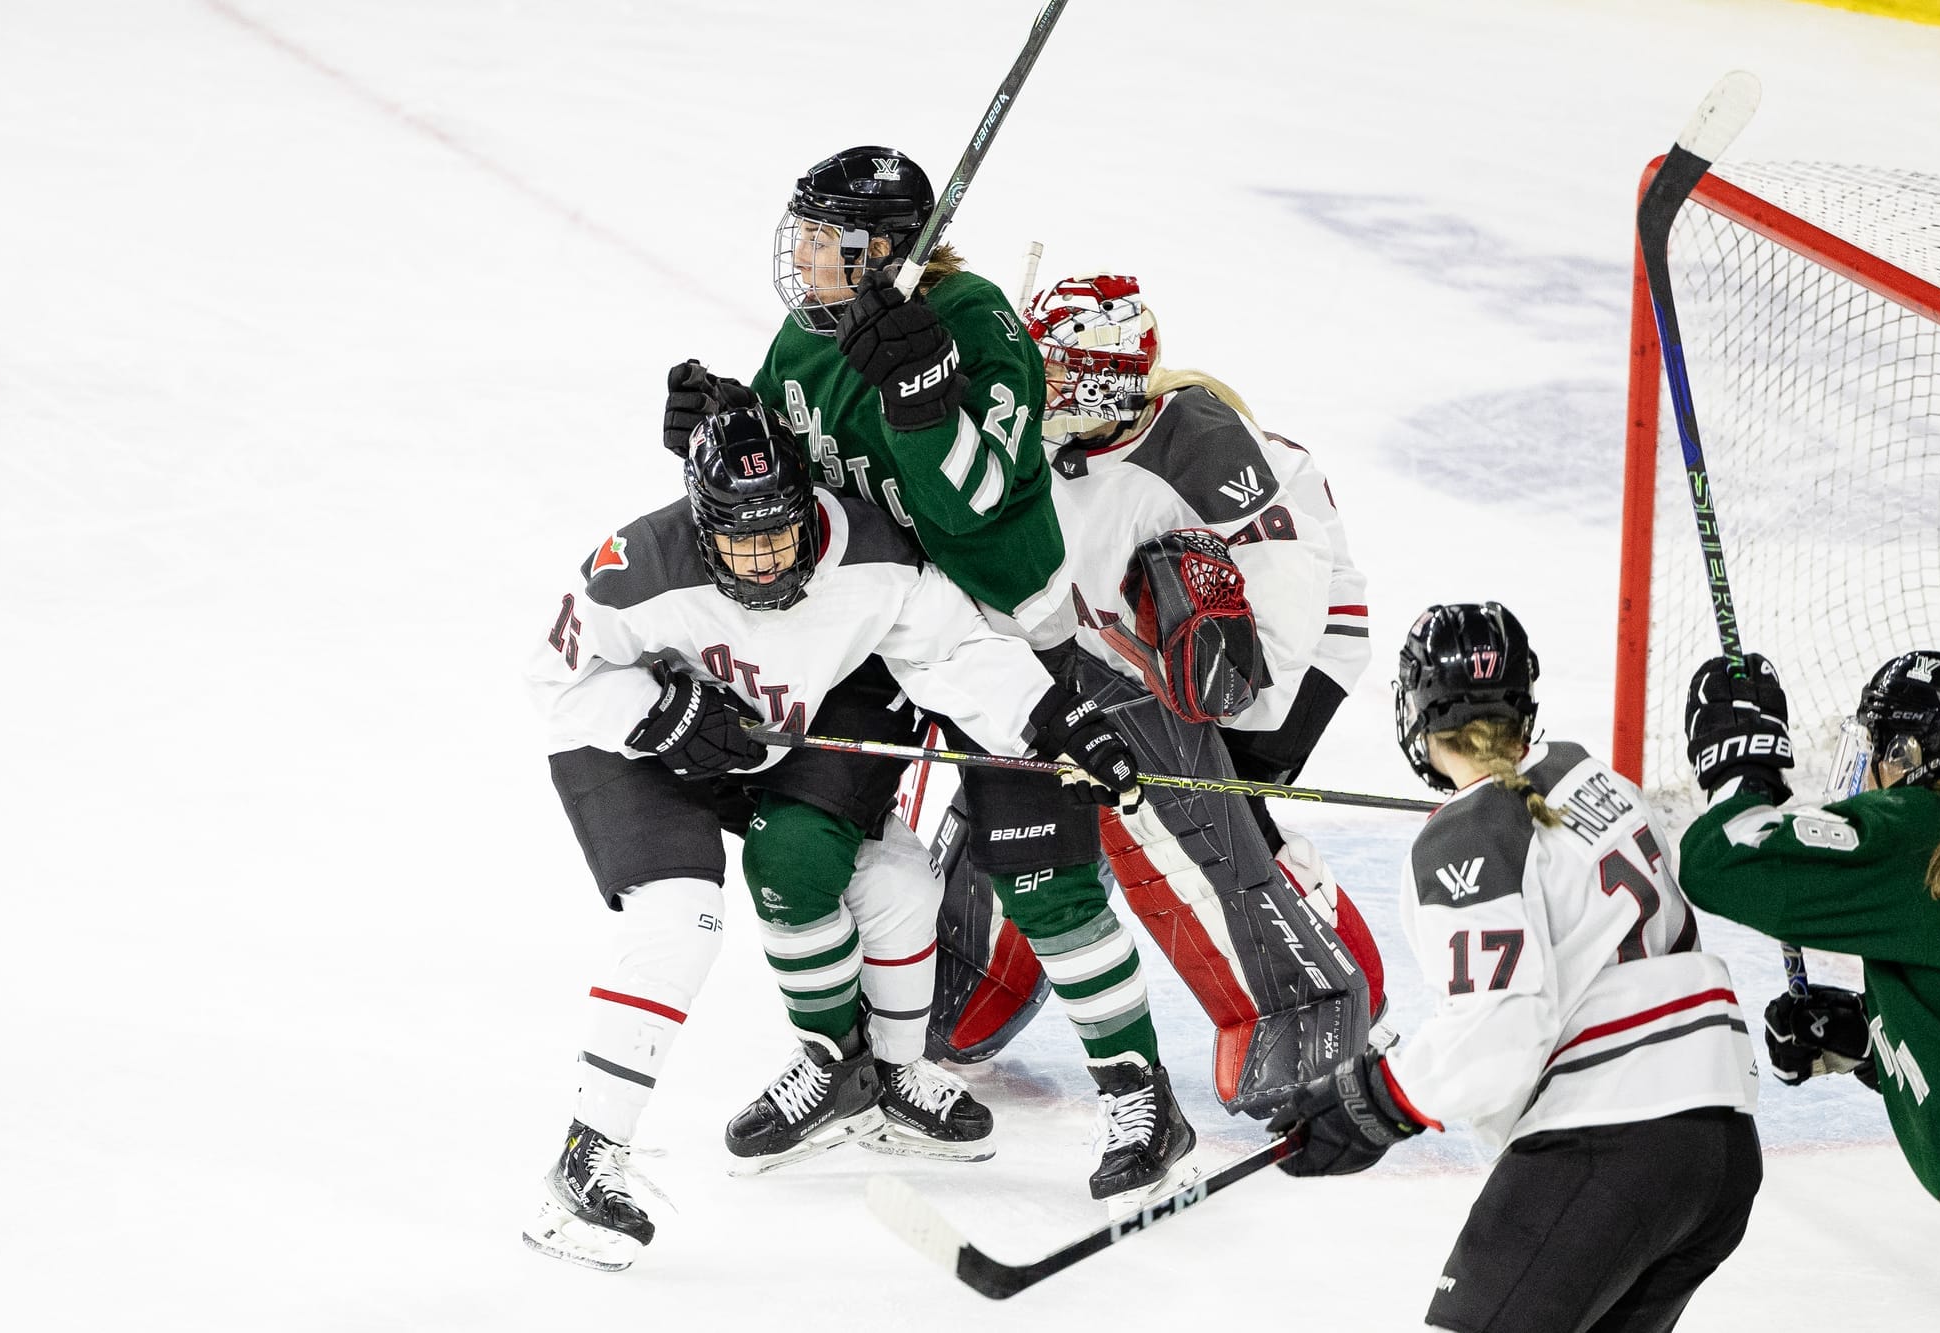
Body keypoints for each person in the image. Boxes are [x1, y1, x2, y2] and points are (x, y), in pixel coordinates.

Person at [663, 148, 1195, 1206]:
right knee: (795, 845)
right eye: (803, 232)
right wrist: (727, 432)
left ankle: (1139, 1088)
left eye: (825, 238)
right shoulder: (805, 336)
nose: (802, 255)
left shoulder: (979, 325)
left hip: (1000, 634)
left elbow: (976, 502)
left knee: (1043, 878)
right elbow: (794, 495)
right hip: (871, 630)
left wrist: (919, 398)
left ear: (882, 253)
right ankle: (838, 1062)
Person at [520, 405, 1143, 1269]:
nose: (769, 562)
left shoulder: (875, 558)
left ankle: (884, 1084)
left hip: (757, 735)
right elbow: (556, 675)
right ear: (704, 528)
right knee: (680, 920)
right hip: (627, 744)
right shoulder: (641, 565)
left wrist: (1054, 723)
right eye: (744, 545)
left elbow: (954, 652)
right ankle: (585, 1160)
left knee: (895, 887)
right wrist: (658, 712)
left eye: (783, 537)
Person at [926, 273, 1386, 1115]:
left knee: (1208, 829)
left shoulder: (1205, 460)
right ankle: (982, 960)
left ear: (1105, 381)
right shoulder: (1055, 435)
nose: (1038, 382)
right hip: (1120, 652)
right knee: (1020, 759)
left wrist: (1188, 687)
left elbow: (1273, 647)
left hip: (1288, 664)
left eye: (1059, 371)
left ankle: (1318, 992)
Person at [1272, 602, 1762, 1333]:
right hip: (1719, 1144)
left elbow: (1500, 1027)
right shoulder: (1593, 774)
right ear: (1523, 699)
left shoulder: (1465, 837)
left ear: (1416, 712)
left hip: (1613, 1135)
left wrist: (1379, 1098)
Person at [1676, 648, 1940, 1258]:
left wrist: (1742, 778)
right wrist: (1875, 1045)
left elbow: (1721, 862)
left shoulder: (1923, 831)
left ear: (1908, 757)